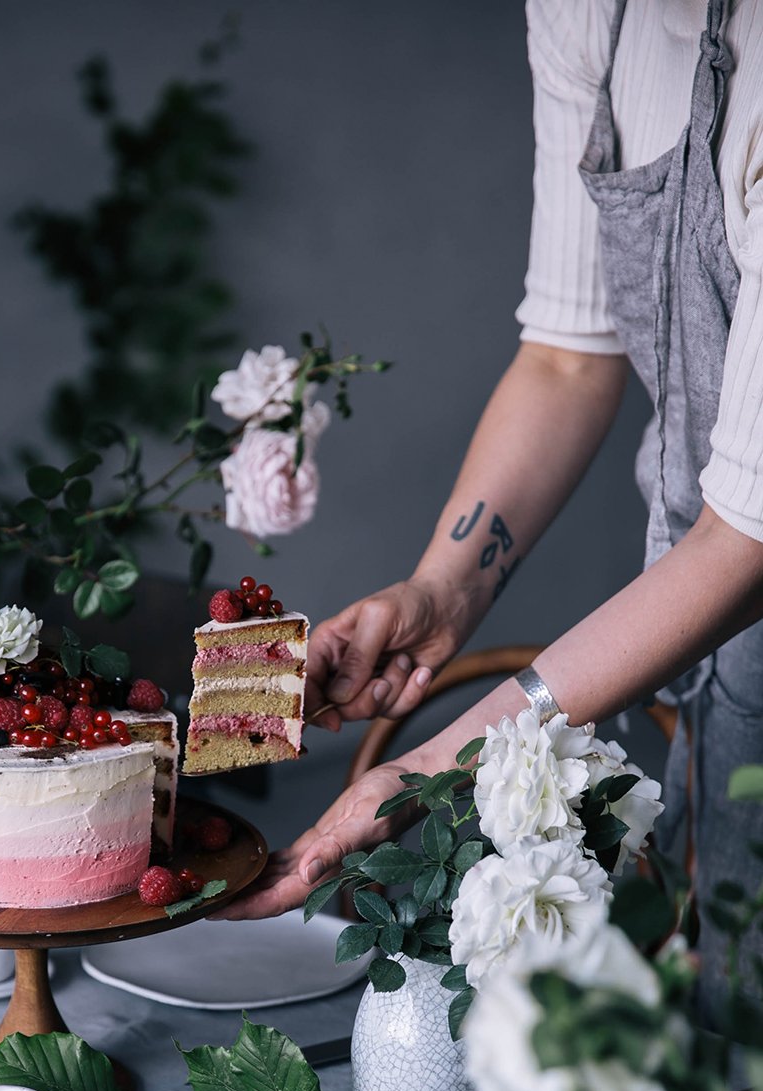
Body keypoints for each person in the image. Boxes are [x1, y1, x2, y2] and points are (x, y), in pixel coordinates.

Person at [223, 0, 763, 1009]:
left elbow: (747, 536)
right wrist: (440, 590)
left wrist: (434, 767)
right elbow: (566, 355)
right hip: (702, 615)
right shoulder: (584, 12)